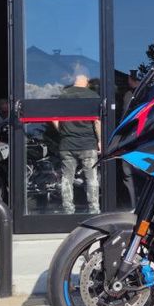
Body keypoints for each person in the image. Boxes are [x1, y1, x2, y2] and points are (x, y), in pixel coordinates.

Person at [55, 74, 100, 215]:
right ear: (86, 83)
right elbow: (96, 122)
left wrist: (62, 131)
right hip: (88, 143)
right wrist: (100, 140)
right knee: (91, 178)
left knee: (66, 179)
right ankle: (94, 210)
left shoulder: (63, 95)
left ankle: (68, 210)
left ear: (75, 81)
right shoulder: (92, 96)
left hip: (67, 143)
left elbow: (54, 118)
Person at [120, 70, 140, 207]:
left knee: (128, 173)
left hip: (131, 138)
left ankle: (134, 206)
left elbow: (125, 117)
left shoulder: (130, 95)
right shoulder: (153, 93)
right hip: (143, 138)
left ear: (130, 79)